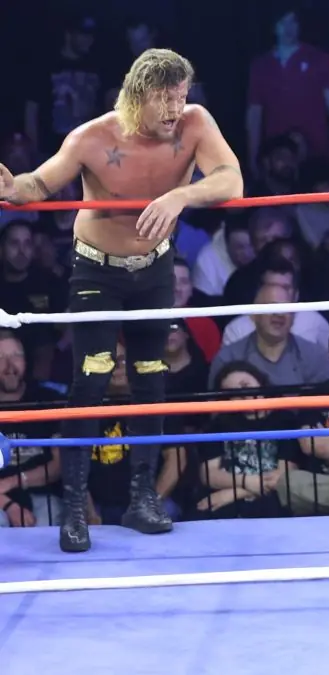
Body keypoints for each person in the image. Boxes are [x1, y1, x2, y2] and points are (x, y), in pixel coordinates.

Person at [0, 49, 243, 553]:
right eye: (165, 99)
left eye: (181, 96)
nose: (175, 109)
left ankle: (142, 498)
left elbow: (231, 181)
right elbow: (39, 183)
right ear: (137, 96)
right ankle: (73, 509)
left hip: (154, 267)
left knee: (151, 376)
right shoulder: (93, 137)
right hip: (98, 271)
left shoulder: (195, 123)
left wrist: (180, 196)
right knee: (90, 379)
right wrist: (12, 187)